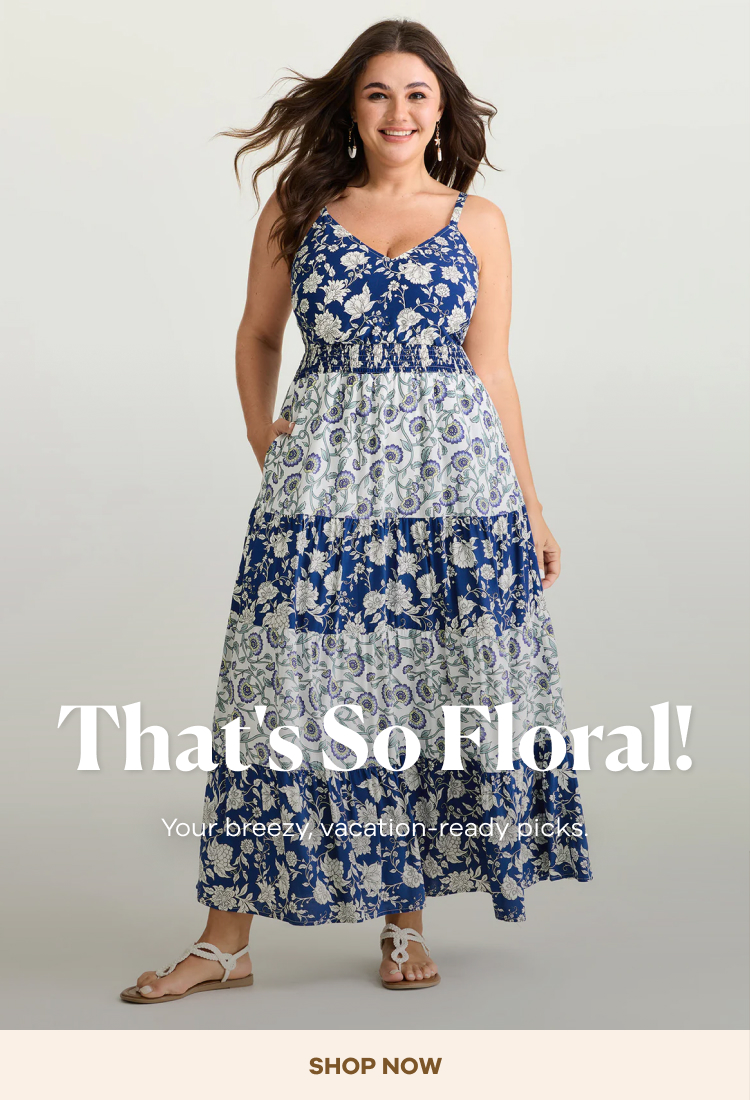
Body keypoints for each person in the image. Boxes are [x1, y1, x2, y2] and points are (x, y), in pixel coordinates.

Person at [120, 17, 591, 1005]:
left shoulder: (480, 221)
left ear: (441, 110)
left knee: (420, 694)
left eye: (417, 94)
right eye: (378, 93)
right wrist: (262, 436)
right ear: (352, 107)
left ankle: (401, 919)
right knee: (277, 700)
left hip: (451, 486)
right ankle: (223, 942)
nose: (398, 110)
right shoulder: (300, 206)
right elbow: (255, 333)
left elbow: (491, 367)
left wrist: (530, 504)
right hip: (324, 486)